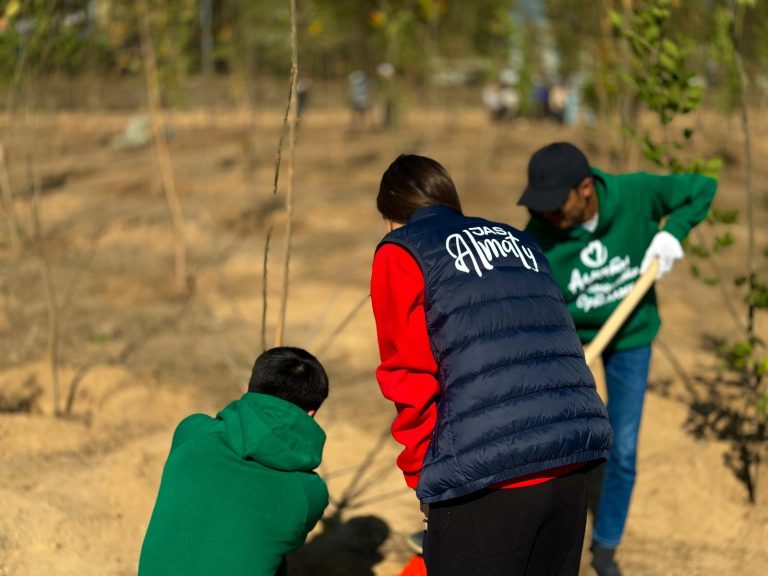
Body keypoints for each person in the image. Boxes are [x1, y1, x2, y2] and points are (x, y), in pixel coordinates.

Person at [370, 154, 613, 575]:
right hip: (569, 460)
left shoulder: (402, 250)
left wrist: (423, 478)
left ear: (393, 214)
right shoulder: (520, 240)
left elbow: (407, 375)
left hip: (487, 478)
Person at [517, 142, 717, 576]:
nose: (547, 214)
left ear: (586, 188)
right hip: (571, 338)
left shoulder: (635, 193)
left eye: (556, 203)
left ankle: (605, 549)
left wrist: (673, 231)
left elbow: (703, 187)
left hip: (630, 333)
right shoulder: (539, 232)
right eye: (541, 205)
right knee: (552, 438)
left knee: (623, 447)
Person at [138, 347, 330, 576]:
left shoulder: (191, 431)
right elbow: (287, 540)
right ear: (310, 413)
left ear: (248, 389)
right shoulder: (309, 492)